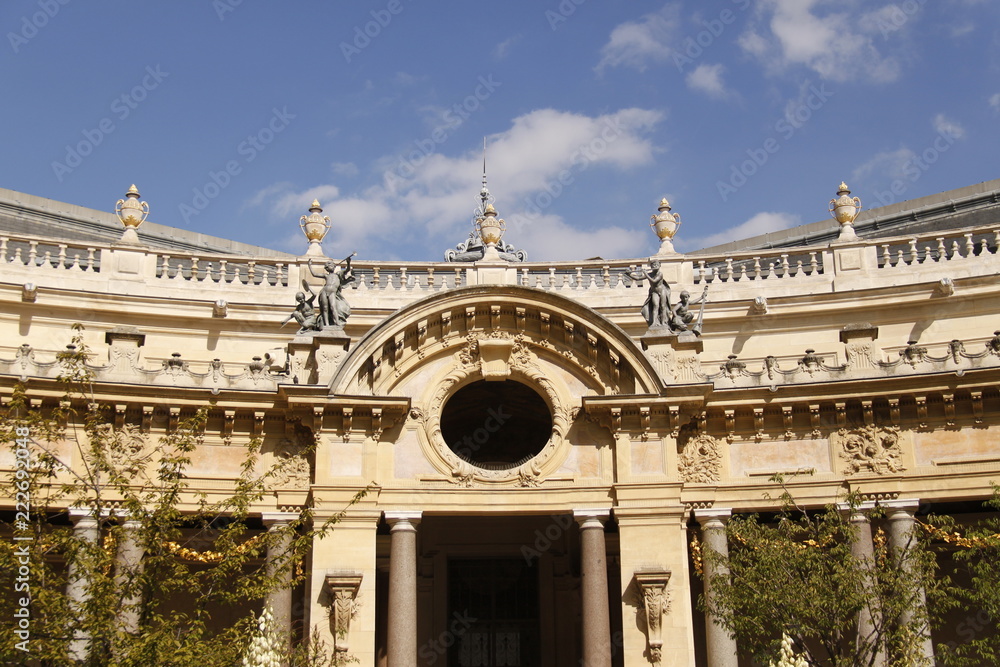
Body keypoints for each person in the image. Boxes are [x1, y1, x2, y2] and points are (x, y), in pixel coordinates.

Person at [308, 254, 356, 328]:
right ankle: (326, 324)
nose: (330, 266)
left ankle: (337, 322)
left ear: (334, 266)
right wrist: (309, 265)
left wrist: (348, 263)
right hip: (324, 292)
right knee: (325, 308)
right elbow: (314, 274)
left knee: (333, 307)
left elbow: (347, 270)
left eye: (331, 264)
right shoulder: (326, 275)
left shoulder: (338, 274)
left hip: (332, 292)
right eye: (328, 265)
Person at [623, 259, 671, 328]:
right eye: (653, 265)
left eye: (656, 264)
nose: (655, 266)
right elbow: (638, 278)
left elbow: (654, 281)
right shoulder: (650, 274)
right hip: (654, 291)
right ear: (651, 266)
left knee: (663, 306)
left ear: (659, 265)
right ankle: (654, 322)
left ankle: (663, 322)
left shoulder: (660, 274)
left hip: (662, 291)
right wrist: (629, 274)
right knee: (655, 306)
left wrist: (646, 274)